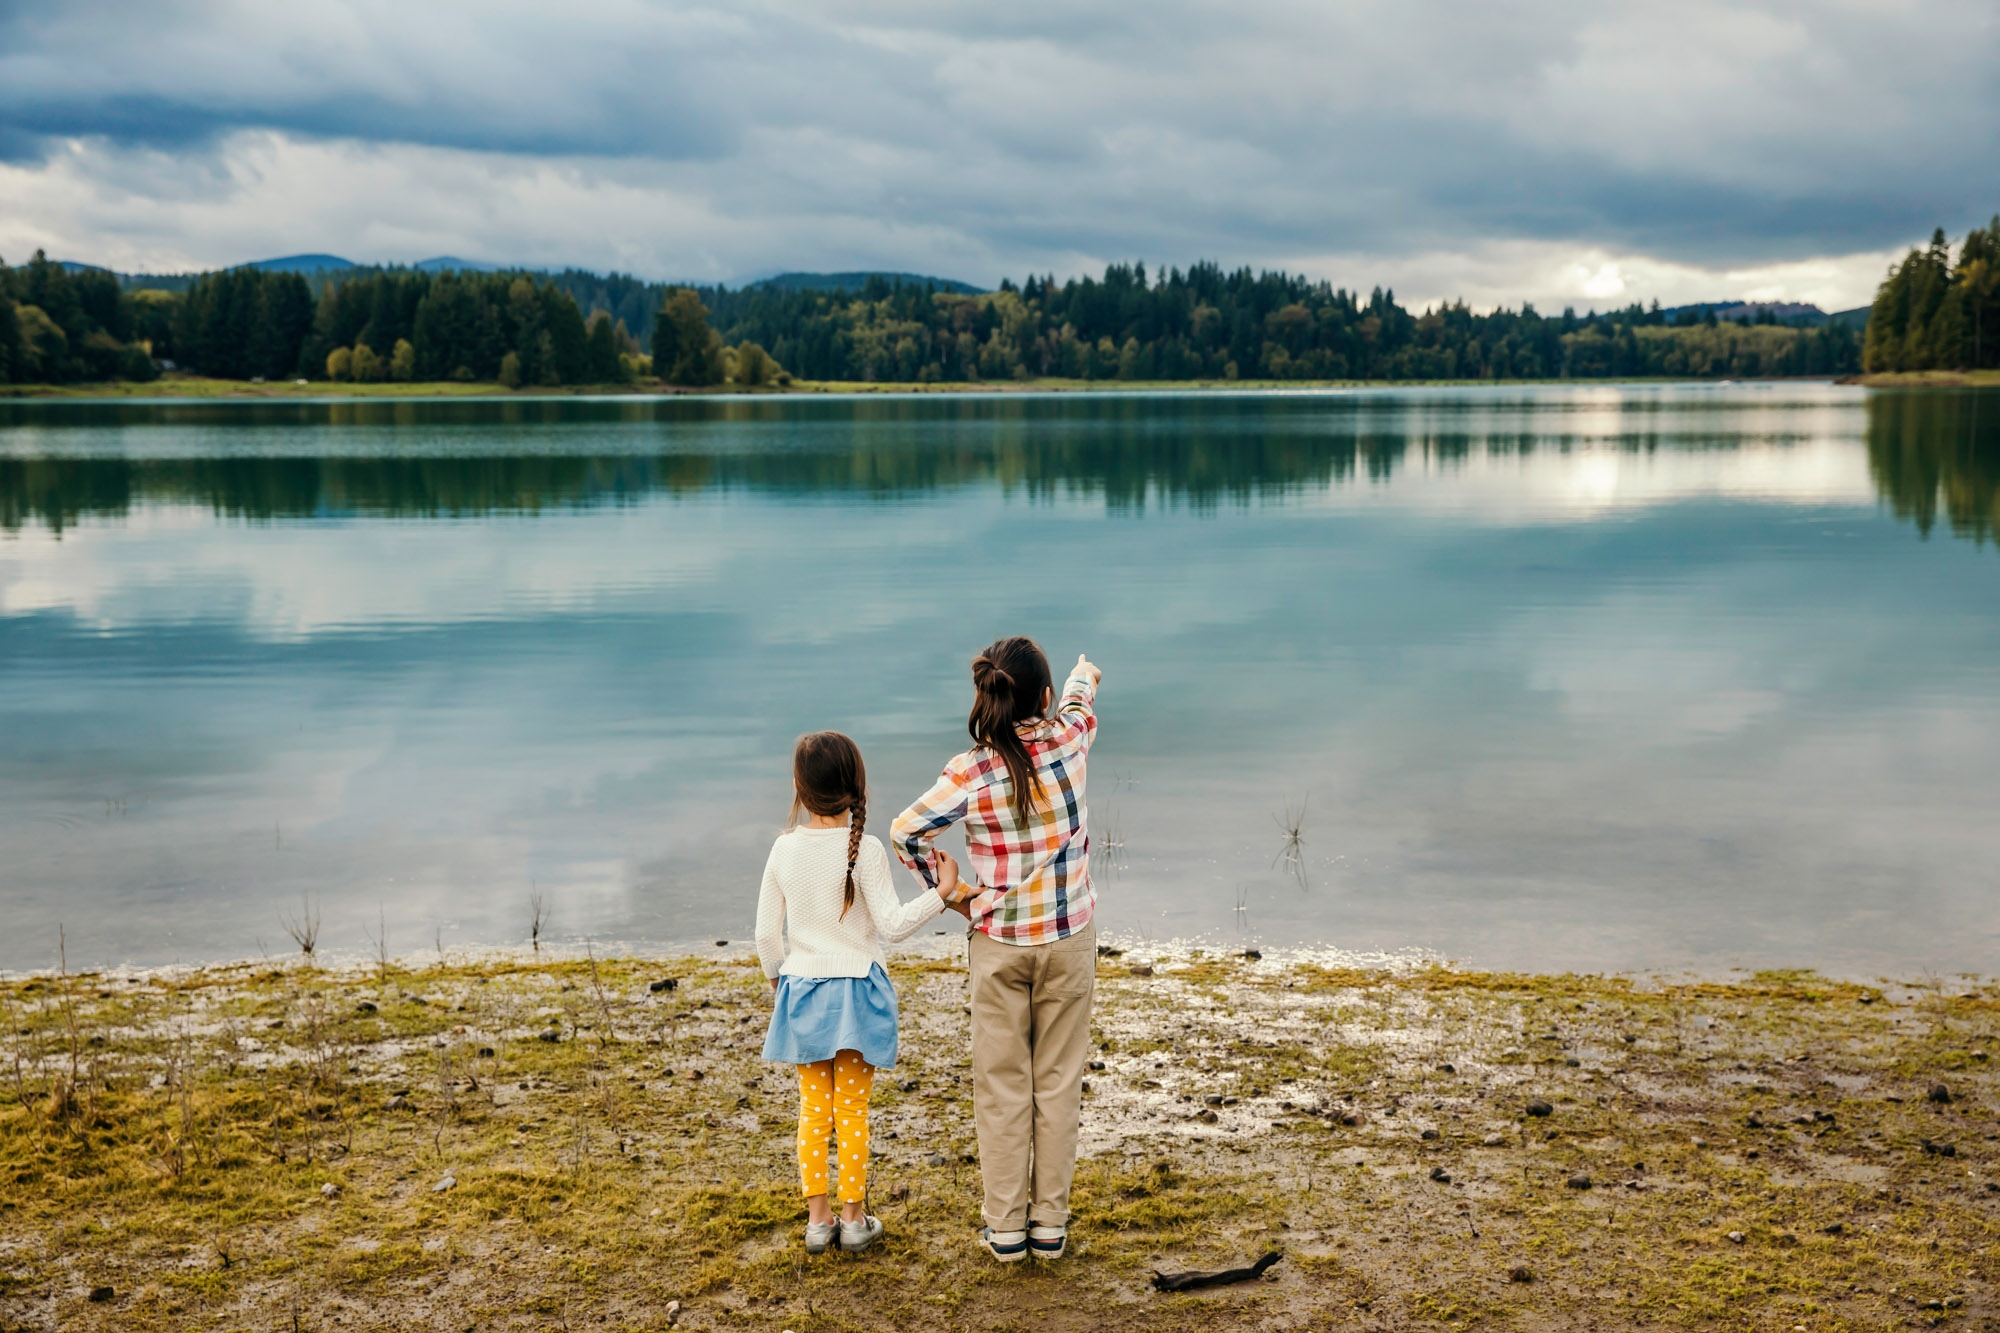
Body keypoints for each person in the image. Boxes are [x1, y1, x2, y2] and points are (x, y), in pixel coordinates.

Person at [893, 636, 1102, 1262]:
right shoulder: (1070, 739)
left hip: (999, 942)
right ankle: (1050, 1228)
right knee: (1058, 1082)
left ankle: (1006, 1229)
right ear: (1042, 697)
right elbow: (1080, 703)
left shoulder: (970, 771)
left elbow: (906, 832)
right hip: (1068, 940)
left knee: (1002, 1085)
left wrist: (949, 890)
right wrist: (1082, 674)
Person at [755, 730, 960, 1254]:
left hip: (803, 991)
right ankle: (854, 1219)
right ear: (854, 787)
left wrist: (780, 980)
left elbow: (764, 935)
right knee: (851, 1112)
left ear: (800, 790)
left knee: (812, 1110)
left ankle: (817, 1221)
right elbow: (892, 926)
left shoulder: (784, 849)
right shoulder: (865, 848)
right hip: (857, 995)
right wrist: (943, 893)